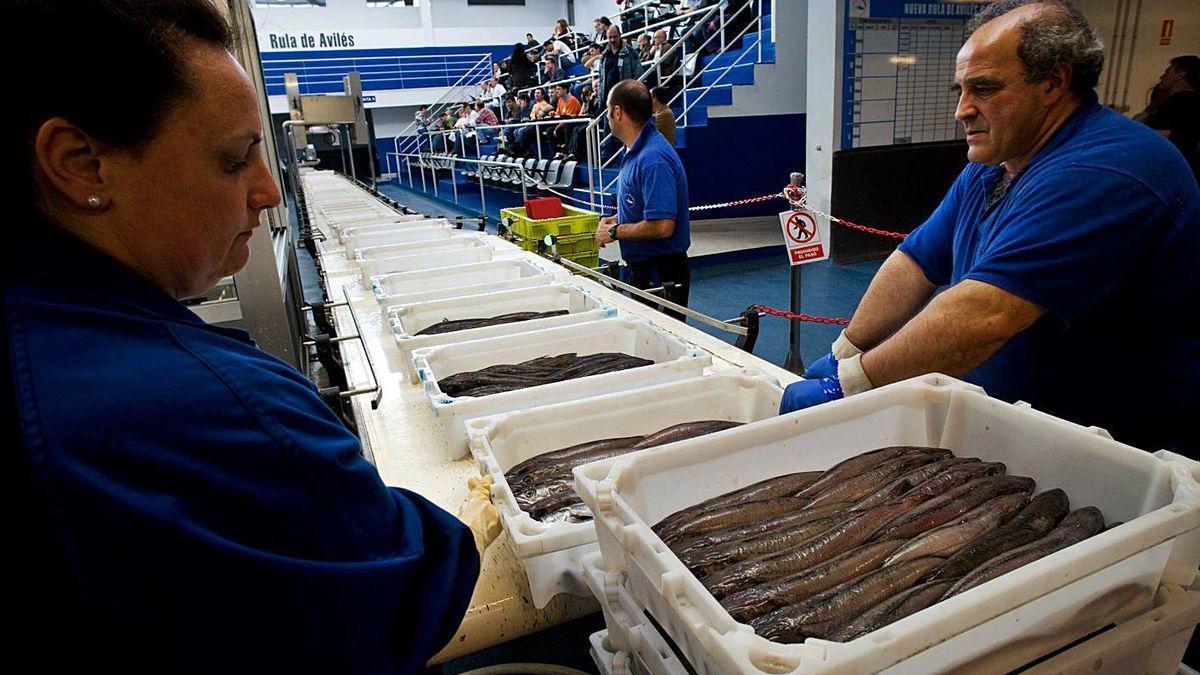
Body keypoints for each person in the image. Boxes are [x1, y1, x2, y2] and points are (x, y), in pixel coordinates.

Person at [3, 0, 491, 672]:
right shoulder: (207, 409)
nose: (267, 190)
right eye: (235, 160)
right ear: (81, 163)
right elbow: (416, 579)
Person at [781, 0, 1200, 456]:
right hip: (1011, 426)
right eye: (960, 90)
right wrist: (845, 351)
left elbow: (985, 316)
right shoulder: (1000, 160)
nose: (963, 109)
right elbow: (917, 260)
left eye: (983, 89)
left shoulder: (1110, 169)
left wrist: (853, 384)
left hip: (1111, 447)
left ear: (1054, 83)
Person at [595, 80, 691, 320]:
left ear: (617, 112)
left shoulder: (653, 159)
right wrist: (618, 218)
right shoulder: (637, 150)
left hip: (660, 273)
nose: (607, 117)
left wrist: (615, 231)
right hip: (645, 269)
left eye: (608, 110)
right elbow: (643, 203)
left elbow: (662, 225)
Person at [1141, 55, 1199, 183]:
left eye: (1168, 72)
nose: (1162, 76)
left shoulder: (1177, 102)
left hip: (1170, 170)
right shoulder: (1194, 100)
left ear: (1180, 75)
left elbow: (1159, 137)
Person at [599, 25, 645, 106]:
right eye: (610, 37)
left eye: (615, 37)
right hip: (608, 98)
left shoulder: (630, 52)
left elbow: (638, 73)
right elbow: (601, 78)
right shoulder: (604, 56)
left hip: (625, 96)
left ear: (620, 35)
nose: (612, 40)